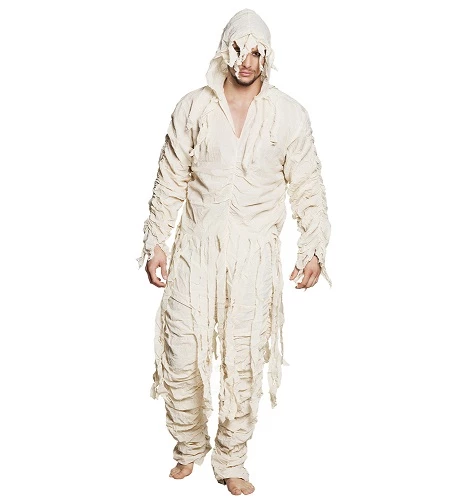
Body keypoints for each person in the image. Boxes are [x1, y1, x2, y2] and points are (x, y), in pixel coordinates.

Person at [136, 8, 332, 496]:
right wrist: (156, 241)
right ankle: (188, 445)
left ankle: (231, 459)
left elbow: (308, 185)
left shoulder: (289, 115)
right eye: (238, 49)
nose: (246, 61)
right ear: (225, 50)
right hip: (194, 250)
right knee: (182, 351)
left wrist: (313, 248)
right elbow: (170, 177)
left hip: (253, 258)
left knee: (243, 361)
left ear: (269, 56)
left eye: (256, 52)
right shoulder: (193, 108)